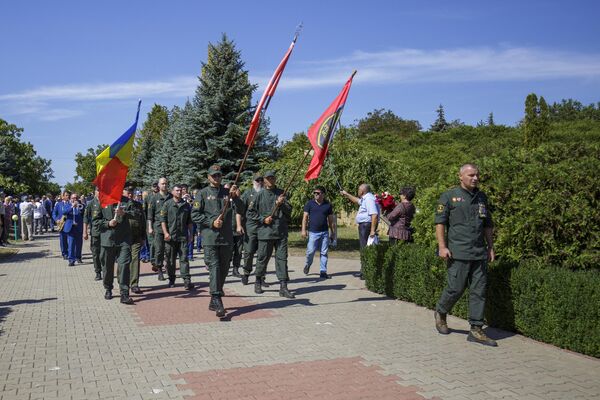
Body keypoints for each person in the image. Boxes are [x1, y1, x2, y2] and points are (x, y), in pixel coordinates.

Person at [434, 163, 497, 347]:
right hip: (458, 252)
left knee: (479, 291)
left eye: (477, 175)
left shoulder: (482, 197)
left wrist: (490, 247)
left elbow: (487, 225)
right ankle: (441, 311)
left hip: (478, 253)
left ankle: (476, 329)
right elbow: (440, 224)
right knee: (456, 288)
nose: (475, 178)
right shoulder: (449, 197)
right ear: (460, 176)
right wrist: (442, 246)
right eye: (471, 175)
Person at [191, 165, 242, 317]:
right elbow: (195, 215)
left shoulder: (228, 193)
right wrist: (211, 222)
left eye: (219, 175)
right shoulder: (202, 194)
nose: (217, 178)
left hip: (226, 238)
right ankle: (217, 298)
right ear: (208, 177)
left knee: (225, 268)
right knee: (214, 268)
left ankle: (214, 298)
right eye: (214, 176)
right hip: (210, 238)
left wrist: (236, 197)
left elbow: (241, 209)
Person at [247, 170, 295, 298]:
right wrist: (263, 219)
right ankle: (258, 281)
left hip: (281, 232)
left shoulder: (282, 193)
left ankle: (283, 287)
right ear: (264, 180)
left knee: (282, 259)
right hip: (265, 232)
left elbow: (289, 211)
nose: (270, 180)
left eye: (272, 178)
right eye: (268, 178)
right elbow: (250, 213)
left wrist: (281, 204)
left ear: (275, 179)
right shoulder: (259, 195)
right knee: (262, 258)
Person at [93, 192, 135, 304]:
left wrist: (124, 212)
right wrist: (108, 224)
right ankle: (108, 288)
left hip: (124, 240)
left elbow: (137, 214)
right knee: (107, 267)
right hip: (108, 240)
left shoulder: (126, 201)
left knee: (124, 266)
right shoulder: (102, 201)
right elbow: (96, 222)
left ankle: (124, 293)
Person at [340, 184, 380, 279]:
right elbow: (357, 201)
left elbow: (374, 214)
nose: (357, 191)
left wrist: (372, 230)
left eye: (358, 189)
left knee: (365, 249)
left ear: (362, 191)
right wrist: (346, 194)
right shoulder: (366, 198)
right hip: (365, 225)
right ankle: (365, 270)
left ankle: (365, 272)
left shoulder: (369, 199)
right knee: (364, 248)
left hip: (366, 226)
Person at [161, 184, 193, 290]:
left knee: (184, 259)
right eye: (177, 190)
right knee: (170, 260)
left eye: (180, 190)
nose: (179, 192)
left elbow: (189, 222)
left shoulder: (186, 205)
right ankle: (171, 278)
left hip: (183, 236)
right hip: (171, 237)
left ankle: (187, 280)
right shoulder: (167, 204)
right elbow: (163, 221)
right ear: (173, 192)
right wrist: (165, 233)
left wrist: (191, 234)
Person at [302, 186, 336, 279]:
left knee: (324, 252)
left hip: (324, 232)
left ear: (323, 194)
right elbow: (305, 218)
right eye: (314, 193)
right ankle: (308, 265)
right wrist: (303, 230)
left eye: (318, 193)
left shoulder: (328, 205)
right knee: (310, 251)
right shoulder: (309, 204)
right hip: (313, 232)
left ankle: (323, 271)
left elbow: (330, 220)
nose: (316, 195)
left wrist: (332, 232)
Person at [239, 173, 263, 285]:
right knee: (249, 251)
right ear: (253, 181)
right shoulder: (248, 193)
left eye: (261, 180)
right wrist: (239, 225)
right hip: (251, 226)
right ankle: (246, 273)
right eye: (257, 180)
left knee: (263, 253)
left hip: (264, 227)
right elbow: (240, 210)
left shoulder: (265, 193)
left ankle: (260, 276)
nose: (260, 182)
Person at [148, 178, 171, 281]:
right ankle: (160, 270)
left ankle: (170, 269)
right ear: (158, 185)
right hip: (157, 227)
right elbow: (150, 215)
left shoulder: (171, 196)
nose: (164, 185)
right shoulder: (154, 198)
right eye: (162, 184)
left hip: (170, 227)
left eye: (166, 184)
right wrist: (149, 227)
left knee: (169, 250)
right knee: (159, 250)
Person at [125, 186, 146, 293]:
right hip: (123, 238)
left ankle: (134, 284)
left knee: (135, 260)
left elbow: (143, 221)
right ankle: (123, 283)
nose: (130, 194)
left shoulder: (138, 205)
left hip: (136, 237)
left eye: (131, 192)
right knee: (124, 261)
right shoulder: (120, 204)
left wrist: (143, 237)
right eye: (128, 192)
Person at [84, 188, 103, 280]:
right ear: (95, 192)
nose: (100, 192)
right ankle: (98, 271)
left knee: (105, 253)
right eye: (98, 190)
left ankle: (105, 270)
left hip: (105, 232)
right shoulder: (91, 203)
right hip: (95, 232)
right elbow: (86, 218)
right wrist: (85, 232)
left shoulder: (106, 202)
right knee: (95, 253)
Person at [63, 193, 84, 266]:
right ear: (70, 199)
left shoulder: (81, 205)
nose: (74, 199)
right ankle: (71, 260)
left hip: (78, 227)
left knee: (79, 244)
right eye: (73, 198)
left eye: (75, 198)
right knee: (71, 244)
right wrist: (72, 207)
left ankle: (78, 257)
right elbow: (64, 212)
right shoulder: (67, 205)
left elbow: (84, 214)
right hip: (70, 227)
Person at [53, 191, 71, 259]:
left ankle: (70, 253)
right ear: (63, 196)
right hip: (62, 224)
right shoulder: (59, 204)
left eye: (68, 195)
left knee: (70, 239)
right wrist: (56, 219)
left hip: (69, 224)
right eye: (66, 195)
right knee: (63, 240)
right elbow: (54, 213)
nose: (67, 197)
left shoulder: (71, 204)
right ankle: (64, 253)